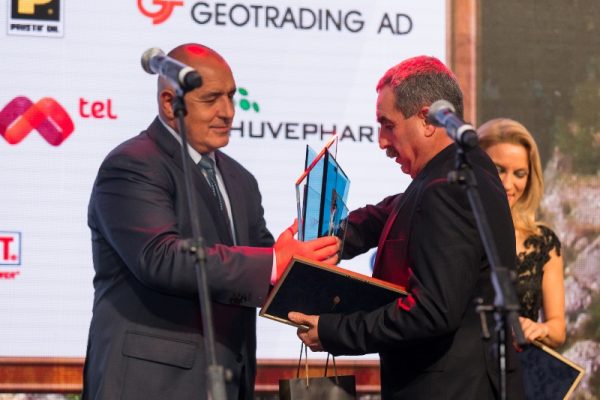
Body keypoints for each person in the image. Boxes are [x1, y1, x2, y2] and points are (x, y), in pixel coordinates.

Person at [82, 43, 339, 400]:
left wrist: (310, 271)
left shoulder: (240, 179)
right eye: (211, 99)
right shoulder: (132, 165)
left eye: (231, 97)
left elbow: (264, 272)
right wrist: (274, 261)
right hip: (149, 385)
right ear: (169, 103)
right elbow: (160, 258)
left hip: (226, 381)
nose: (228, 112)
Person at [288, 56, 525, 399]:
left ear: (427, 119)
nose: (382, 142)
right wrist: (333, 238)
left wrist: (335, 331)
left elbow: (431, 311)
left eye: (388, 125)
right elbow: (391, 212)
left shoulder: (447, 188)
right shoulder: (458, 173)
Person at [478, 118, 566, 349]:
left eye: (519, 173)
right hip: (461, 367)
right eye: (499, 170)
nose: (508, 184)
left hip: (517, 366)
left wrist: (540, 329)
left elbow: (558, 330)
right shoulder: (451, 230)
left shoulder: (543, 242)